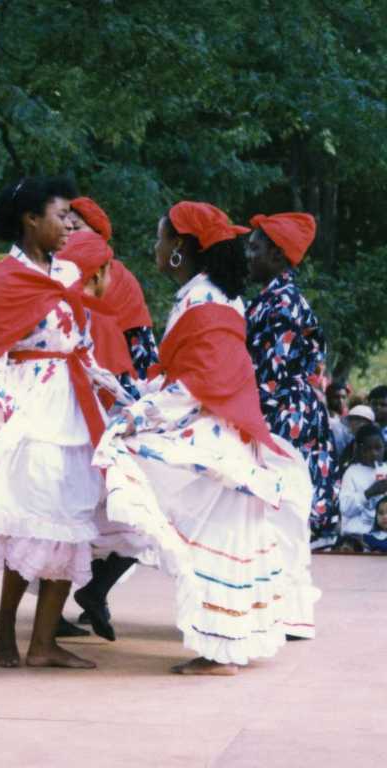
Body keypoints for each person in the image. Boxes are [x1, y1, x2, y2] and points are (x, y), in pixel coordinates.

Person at [93, 201, 314, 675]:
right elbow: (193, 374)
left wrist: (138, 413)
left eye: (160, 238)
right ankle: (223, 644)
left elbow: (198, 380)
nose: (155, 247)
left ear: (180, 249)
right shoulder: (214, 295)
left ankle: (219, 653)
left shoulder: (204, 301)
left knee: (131, 463)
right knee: (220, 540)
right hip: (227, 431)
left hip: (216, 435)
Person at [0, 177, 129, 670]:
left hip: (74, 408)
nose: (68, 228)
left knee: (69, 524)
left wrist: (118, 396)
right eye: (60, 218)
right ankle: (5, 624)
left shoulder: (69, 273)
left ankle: (43, 642)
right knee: (30, 525)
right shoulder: (6, 277)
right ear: (30, 219)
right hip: (30, 406)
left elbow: (81, 343)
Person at [66, 196, 158, 641]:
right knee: (67, 504)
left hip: (110, 398)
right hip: (62, 400)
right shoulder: (52, 278)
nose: (67, 227)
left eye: (76, 222)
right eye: (64, 220)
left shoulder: (120, 281)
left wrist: (135, 403)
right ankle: (75, 600)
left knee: (122, 503)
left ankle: (95, 590)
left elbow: (139, 348)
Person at [245, 212, 337, 552]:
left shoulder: (282, 302)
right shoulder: (276, 297)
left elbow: (271, 374)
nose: (248, 255)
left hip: (283, 414)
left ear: (277, 255)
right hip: (288, 409)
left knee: (274, 514)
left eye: (255, 249)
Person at [338, 424, 387, 548]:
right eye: (368, 449)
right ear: (358, 450)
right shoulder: (352, 473)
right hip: (357, 539)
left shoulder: (385, 469)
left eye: (378, 448)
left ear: (384, 448)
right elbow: (345, 508)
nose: (374, 453)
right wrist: (369, 493)